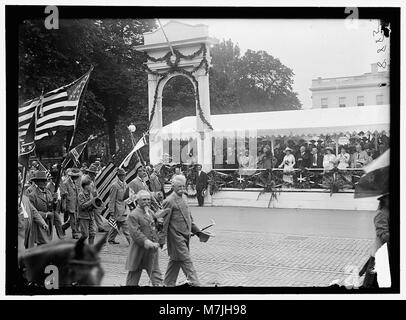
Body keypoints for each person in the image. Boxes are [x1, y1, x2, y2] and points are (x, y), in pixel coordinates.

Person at [160, 175, 206, 286]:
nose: (181, 189)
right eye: (179, 186)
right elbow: (163, 223)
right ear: (173, 186)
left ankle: (168, 283)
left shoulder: (184, 198)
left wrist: (198, 232)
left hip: (185, 236)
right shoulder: (169, 201)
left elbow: (189, 218)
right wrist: (161, 240)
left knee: (175, 261)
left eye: (183, 186)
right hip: (175, 238)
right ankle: (196, 284)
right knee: (186, 261)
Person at [125, 190, 163, 286]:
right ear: (138, 201)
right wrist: (146, 241)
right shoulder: (133, 215)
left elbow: (155, 227)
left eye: (149, 200)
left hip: (151, 251)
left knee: (155, 274)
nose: (147, 202)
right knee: (134, 274)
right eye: (144, 199)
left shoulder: (150, 211)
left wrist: (160, 223)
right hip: (139, 250)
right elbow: (135, 233)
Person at [18, 174, 48, 255]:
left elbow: (34, 211)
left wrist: (42, 223)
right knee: (20, 250)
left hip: (28, 227)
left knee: (28, 248)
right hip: (19, 229)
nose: (20, 188)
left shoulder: (25, 198)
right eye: (18, 185)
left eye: (20, 185)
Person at [26, 171, 54, 245]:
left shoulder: (48, 192)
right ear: (37, 182)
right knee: (42, 243)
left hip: (49, 222)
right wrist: (46, 215)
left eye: (45, 181)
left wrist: (55, 201)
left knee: (48, 243)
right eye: (42, 181)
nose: (44, 183)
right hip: (40, 223)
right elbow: (32, 211)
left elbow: (52, 207)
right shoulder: (32, 195)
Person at [107, 168, 131, 245]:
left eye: (124, 175)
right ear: (119, 176)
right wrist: (111, 211)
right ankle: (131, 242)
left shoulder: (125, 184)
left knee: (117, 224)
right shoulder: (115, 186)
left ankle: (111, 239)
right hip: (117, 209)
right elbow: (112, 199)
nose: (124, 176)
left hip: (124, 207)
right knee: (125, 226)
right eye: (122, 175)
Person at [83, 164, 109, 232]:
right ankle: (69, 226)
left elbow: (94, 189)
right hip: (86, 200)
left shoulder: (92, 180)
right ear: (90, 173)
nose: (94, 175)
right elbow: (84, 191)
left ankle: (100, 227)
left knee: (95, 212)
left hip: (92, 199)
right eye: (93, 174)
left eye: (94, 174)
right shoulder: (85, 180)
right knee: (80, 215)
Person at [60, 167, 81, 239]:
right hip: (69, 203)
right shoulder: (66, 183)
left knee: (75, 218)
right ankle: (74, 233)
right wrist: (64, 205)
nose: (76, 177)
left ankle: (63, 227)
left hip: (76, 203)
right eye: (75, 176)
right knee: (73, 218)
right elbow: (64, 195)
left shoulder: (76, 182)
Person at [77, 176, 98, 245]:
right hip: (83, 217)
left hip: (91, 216)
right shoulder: (81, 195)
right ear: (86, 186)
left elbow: (94, 204)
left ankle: (90, 249)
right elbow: (82, 206)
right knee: (85, 235)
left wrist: (96, 202)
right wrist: (91, 201)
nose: (91, 187)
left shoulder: (91, 194)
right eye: (90, 185)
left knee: (92, 233)